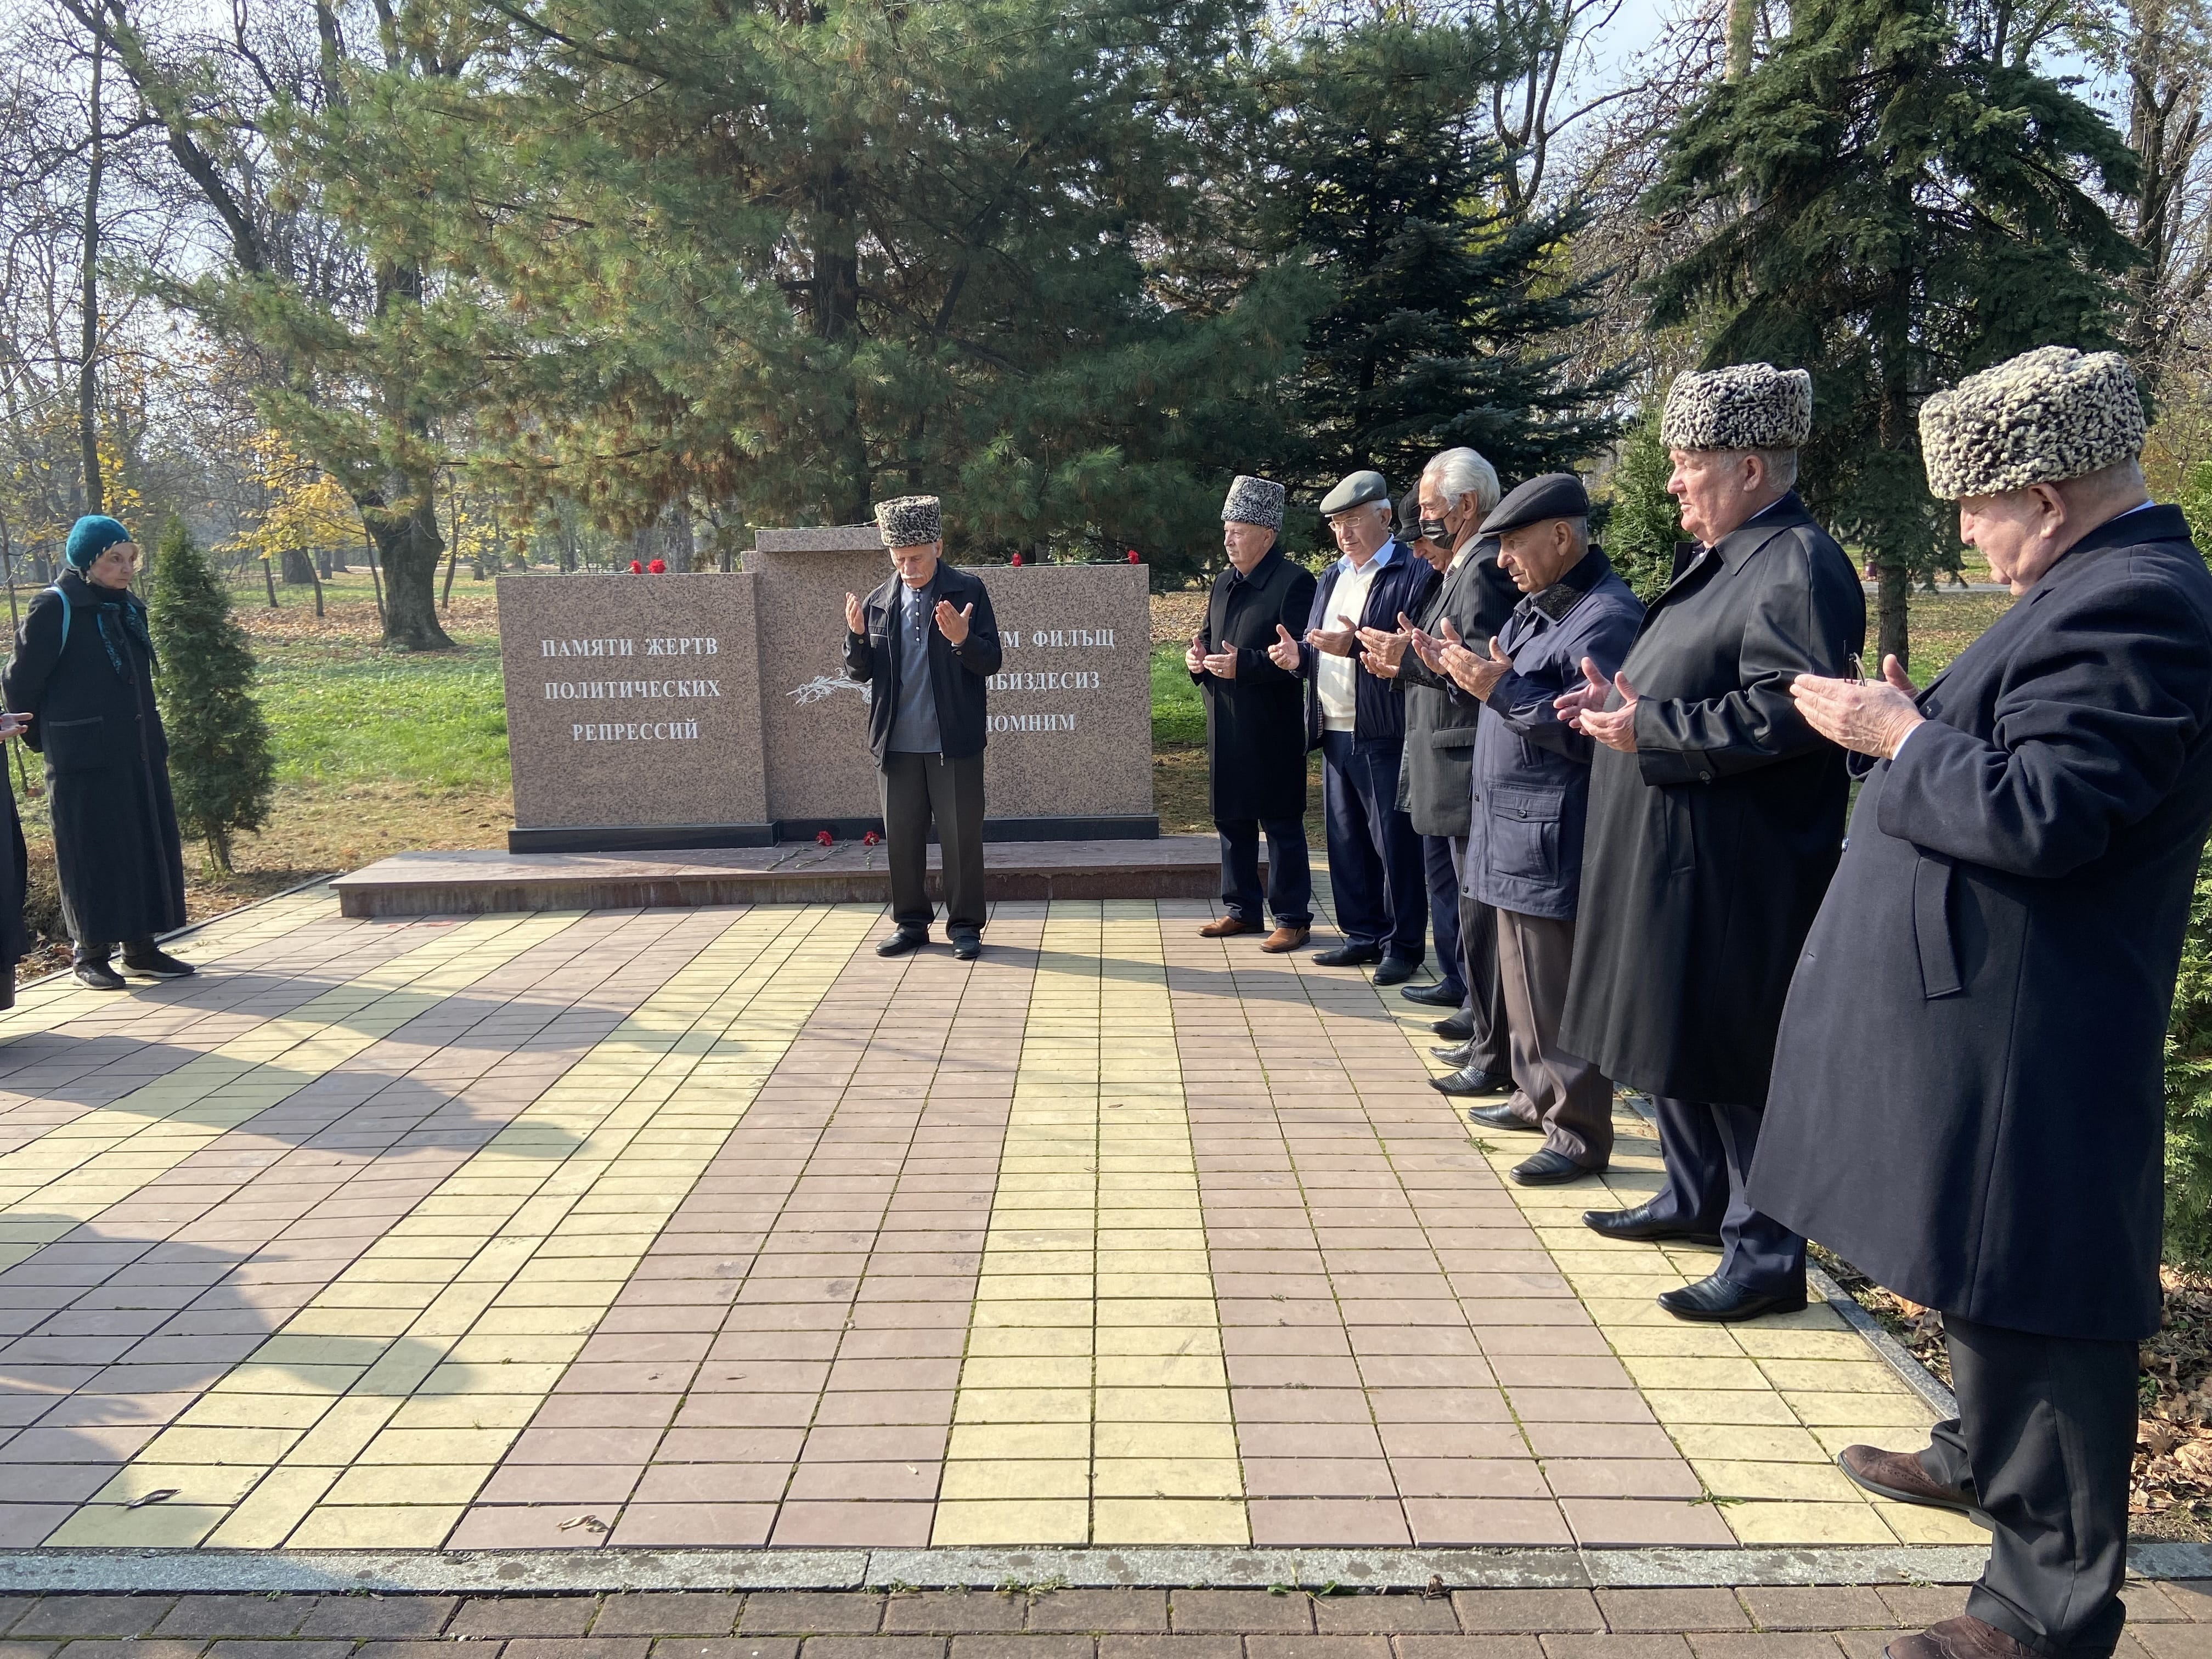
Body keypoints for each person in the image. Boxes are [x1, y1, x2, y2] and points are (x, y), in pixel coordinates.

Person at [1750, 347, 2212, 1659]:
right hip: (1997, 1011)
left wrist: (1896, 736)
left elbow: (2048, 813)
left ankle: (2041, 1610)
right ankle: (1974, 1452)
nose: (1964, 532)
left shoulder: (2136, 605)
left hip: (2036, 1027)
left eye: (1975, 506)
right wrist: (1915, 727)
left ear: (2048, 497)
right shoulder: (2091, 584)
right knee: (1984, 1261)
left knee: (2040, 1296)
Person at [1555, 363, 1863, 1322]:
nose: (1673, 482)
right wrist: (1624, 702)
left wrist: (1651, 726)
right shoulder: (1731, 555)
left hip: (1737, 867)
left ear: (1748, 467)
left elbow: (1793, 710)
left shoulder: (1796, 563)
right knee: (1672, 1028)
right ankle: (1694, 1195)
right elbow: (1698, 678)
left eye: (1687, 463)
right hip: (1676, 852)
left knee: (1734, 1052)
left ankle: (1765, 1253)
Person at [1411, 475, 1642, 1183]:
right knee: (1520, 982)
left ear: (1562, 537)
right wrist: (1458, 671)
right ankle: (1533, 1096)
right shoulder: (1537, 610)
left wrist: (1495, 686)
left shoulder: (1606, 617)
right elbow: (1506, 686)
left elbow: (1587, 728)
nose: (1503, 562)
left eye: (1513, 545)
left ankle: (1577, 1133)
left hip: (1551, 835)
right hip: (1507, 826)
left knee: (1555, 987)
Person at [1357, 449, 1520, 1083]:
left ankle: (1491, 1042)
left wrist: (1408, 658)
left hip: (1464, 758)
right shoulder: (1463, 564)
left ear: (1465, 506)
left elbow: (1475, 665)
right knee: (1464, 901)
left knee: (1479, 910)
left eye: (1428, 510)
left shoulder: (1481, 568)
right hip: (1443, 755)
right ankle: (1481, 1027)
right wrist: (1406, 654)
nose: (1422, 523)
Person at [3, 514, 191, 991]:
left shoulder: (128, 608)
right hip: (81, 759)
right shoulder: (55, 606)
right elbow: (19, 683)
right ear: (87, 562)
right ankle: (89, 953)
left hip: (137, 750)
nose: (126, 569)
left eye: (131, 559)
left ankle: (141, 948)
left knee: (141, 842)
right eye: (114, 559)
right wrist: (48, 740)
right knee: (91, 851)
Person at [1268, 470, 1437, 978]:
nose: (1344, 533)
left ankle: (1403, 947)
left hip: (1384, 730)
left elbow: (1415, 650)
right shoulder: (1332, 576)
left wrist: (1355, 645)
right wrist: (1297, 658)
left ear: (1384, 517)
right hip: (1333, 728)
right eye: (1336, 524)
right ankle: (1362, 935)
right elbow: (1319, 646)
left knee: (1393, 846)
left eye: (1354, 520)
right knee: (1346, 843)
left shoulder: (1413, 571)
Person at [842, 495, 1003, 962]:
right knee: (903, 840)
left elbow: (991, 661)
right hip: (896, 745)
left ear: (938, 547)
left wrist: (962, 639)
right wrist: (856, 637)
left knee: (961, 839)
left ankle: (965, 926)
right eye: (899, 559)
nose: (908, 569)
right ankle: (911, 924)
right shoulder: (878, 601)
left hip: (954, 742)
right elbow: (858, 672)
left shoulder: (968, 591)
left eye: (916, 558)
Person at [1187, 476, 1318, 951]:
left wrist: (1246, 664)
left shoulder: (1295, 582)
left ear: (1267, 535)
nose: (1228, 540)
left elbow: (1299, 656)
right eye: (1226, 530)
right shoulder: (1224, 582)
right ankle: (1242, 909)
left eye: (1238, 531)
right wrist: (1196, 659)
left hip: (1273, 724)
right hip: (1226, 720)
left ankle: (1292, 917)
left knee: (1280, 823)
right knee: (1232, 818)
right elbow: (1208, 637)